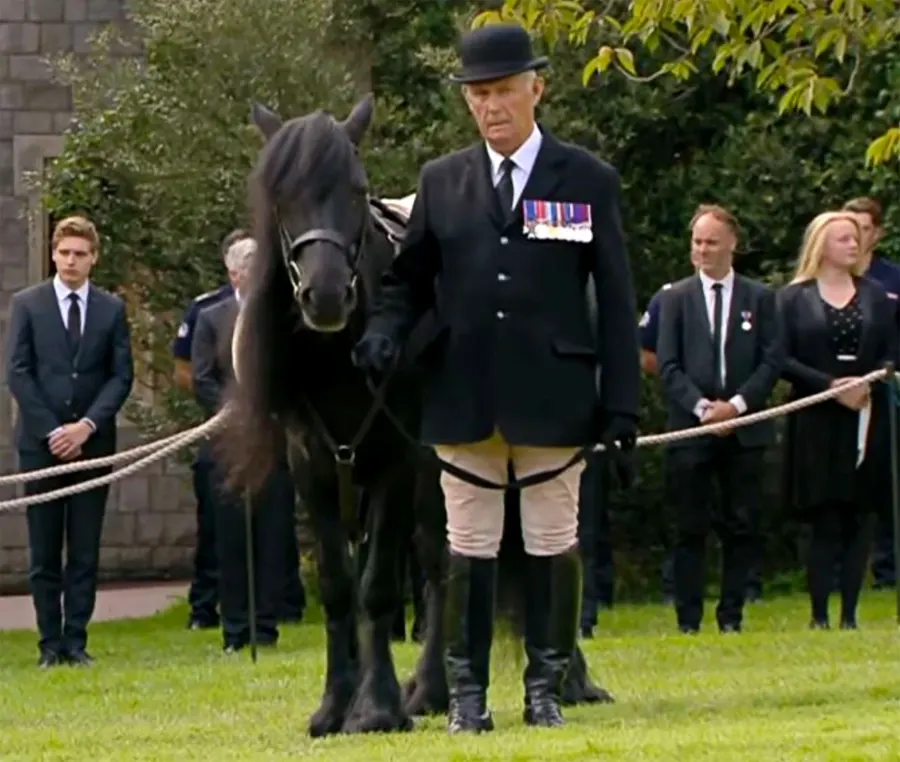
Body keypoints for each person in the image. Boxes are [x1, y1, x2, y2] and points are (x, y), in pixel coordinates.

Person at [352, 22, 640, 732]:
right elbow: (409, 282)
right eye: (478, 95)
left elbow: (615, 295)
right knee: (467, 549)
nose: (491, 107)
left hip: (555, 393)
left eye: (504, 91)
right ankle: (468, 696)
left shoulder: (587, 180)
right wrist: (384, 334)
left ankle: (546, 687)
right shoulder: (441, 182)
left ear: (536, 88)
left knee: (552, 542)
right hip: (465, 393)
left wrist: (623, 404)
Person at [4, 215, 134, 667]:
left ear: (93, 258)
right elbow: (18, 372)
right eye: (64, 253)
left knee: (84, 547)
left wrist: (87, 427)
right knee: (43, 549)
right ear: (53, 255)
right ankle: (48, 644)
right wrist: (53, 430)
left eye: (80, 254)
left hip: (93, 445)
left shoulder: (111, 309)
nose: (71, 261)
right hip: (41, 447)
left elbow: (121, 376)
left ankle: (76, 641)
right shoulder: (28, 304)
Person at [656, 204, 783, 634]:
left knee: (742, 524)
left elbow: (771, 360)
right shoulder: (674, 298)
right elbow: (668, 364)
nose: (703, 250)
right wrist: (703, 410)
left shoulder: (760, 298)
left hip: (745, 432)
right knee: (689, 527)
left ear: (732, 244)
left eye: (711, 242)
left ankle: (732, 616)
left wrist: (739, 406)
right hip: (691, 430)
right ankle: (688, 619)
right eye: (697, 242)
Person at [777, 211, 897, 629]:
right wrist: (830, 385)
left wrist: (868, 382)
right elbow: (781, 358)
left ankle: (849, 613)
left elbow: (890, 350)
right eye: (844, 238)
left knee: (858, 514)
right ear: (822, 245)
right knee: (823, 516)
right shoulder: (793, 299)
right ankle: (818, 613)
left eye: (856, 238)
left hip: (865, 413)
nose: (854, 244)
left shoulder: (876, 296)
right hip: (816, 417)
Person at [191, 237, 298, 652]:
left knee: (272, 537)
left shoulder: (283, 318)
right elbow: (202, 377)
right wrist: (235, 414)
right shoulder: (212, 317)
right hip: (228, 445)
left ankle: (265, 625)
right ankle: (235, 628)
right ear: (234, 274)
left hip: (273, 444)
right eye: (249, 267)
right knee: (233, 540)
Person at [842, 197, 899, 591]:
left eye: (864, 228)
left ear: (877, 232)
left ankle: (887, 571)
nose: (857, 237)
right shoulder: (828, 279)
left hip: (886, 392)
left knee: (886, 484)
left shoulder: (893, 279)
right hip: (836, 394)